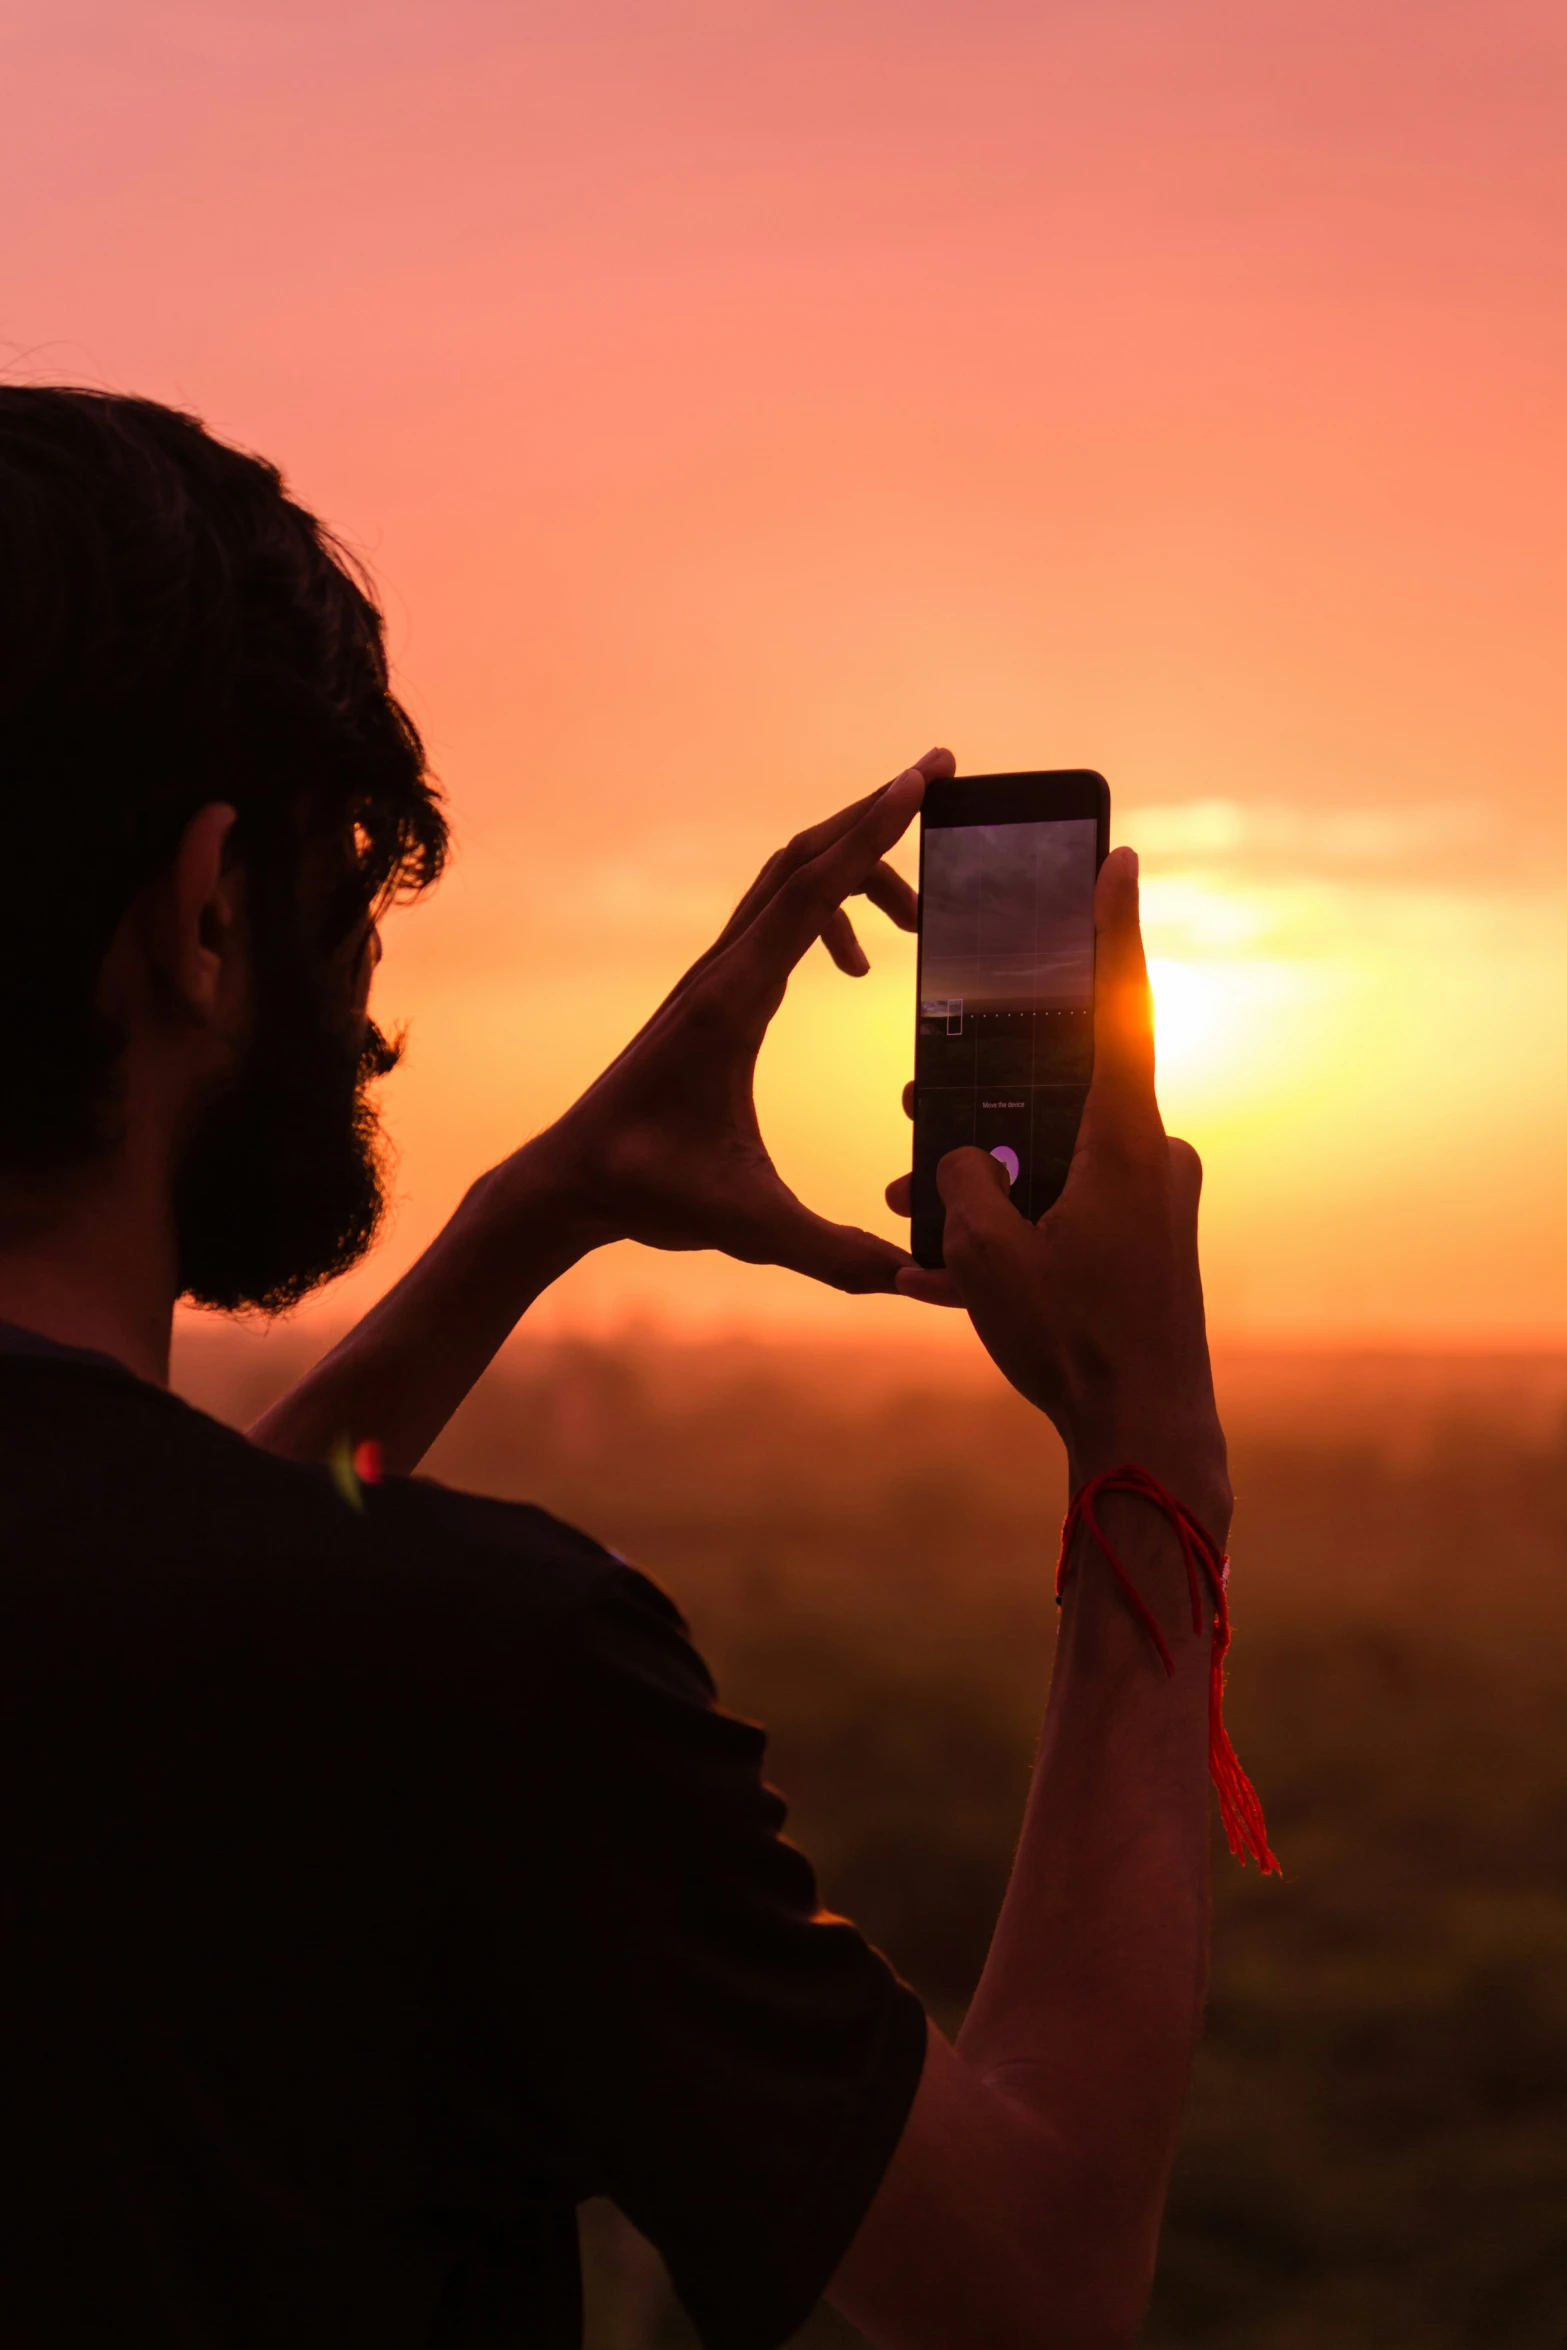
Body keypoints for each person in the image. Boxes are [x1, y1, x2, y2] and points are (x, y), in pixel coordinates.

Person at [0, 387, 1239, 2350]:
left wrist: (539, 1206)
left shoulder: (234, 1635)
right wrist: (1148, 1453)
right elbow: (1036, 2271)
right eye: (348, 892)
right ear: (209, 904)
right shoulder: (483, 1672)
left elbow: (162, 1582)